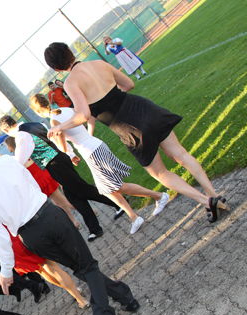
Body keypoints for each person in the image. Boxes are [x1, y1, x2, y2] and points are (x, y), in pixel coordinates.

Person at [0, 137, 139, 315]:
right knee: (87, 267)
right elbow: (33, 185)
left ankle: (124, 296)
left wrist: (6, 271)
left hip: (30, 236)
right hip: (49, 215)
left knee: (82, 268)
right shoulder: (5, 161)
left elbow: (0, 238)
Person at [44, 42, 227, 223]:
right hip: (144, 108)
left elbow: (83, 114)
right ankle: (213, 195)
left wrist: (59, 127)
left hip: (127, 126)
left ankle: (207, 201)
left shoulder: (71, 82)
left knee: (160, 173)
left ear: (56, 68)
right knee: (181, 154)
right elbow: (129, 84)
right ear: (70, 52)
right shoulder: (99, 63)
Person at [30, 93, 171, 234]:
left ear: (38, 111)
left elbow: (63, 148)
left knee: (117, 186)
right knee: (107, 190)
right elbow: (86, 118)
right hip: (95, 146)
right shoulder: (66, 109)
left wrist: (54, 138)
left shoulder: (54, 121)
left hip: (91, 152)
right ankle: (134, 217)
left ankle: (158, 196)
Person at [0, 182, 88, 309]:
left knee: (43, 270)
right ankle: (77, 295)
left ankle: (76, 294)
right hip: (19, 233)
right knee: (51, 267)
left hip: (10, 245)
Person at [0, 115, 124, 242]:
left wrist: (4, 160)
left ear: (6, 130)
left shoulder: (21, 135)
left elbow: (20, 160)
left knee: (83, 190)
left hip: (54, 163)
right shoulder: (34, 124)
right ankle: (94, 228)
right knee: (73, 197)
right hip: (58, 159)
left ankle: (119, 203)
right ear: (14, 121)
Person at [4, 137, 81, 230]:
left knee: (64, 202)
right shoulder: (21, 153)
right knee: (58, 203)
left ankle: (88, 210)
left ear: (11, 145)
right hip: (42, 180)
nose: (7, 148)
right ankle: (73, 221)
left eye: (7, 146)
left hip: (43, 180)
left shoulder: (18, 157)